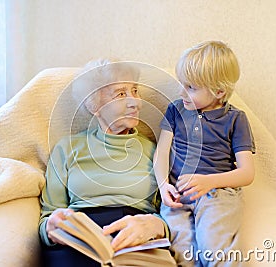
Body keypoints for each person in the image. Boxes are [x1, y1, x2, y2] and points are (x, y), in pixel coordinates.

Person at [39, 59, 176, 266]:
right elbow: (48, 214)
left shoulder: (156, 151)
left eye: (135, 91)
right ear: (95, 105)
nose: (136, 102)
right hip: (80, 241)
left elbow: (174, 211)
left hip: (136, 241)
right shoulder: (67, 148)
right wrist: (51, 226)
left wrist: (157, 226)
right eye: (121, 94)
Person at [154, 41, 255, 267]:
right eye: (182, 84)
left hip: (217, 195)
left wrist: (209, 182)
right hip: (179, 196)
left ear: (219, 91)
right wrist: (163, 186)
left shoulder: (235, 119)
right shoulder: (175, 110)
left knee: (213, 248)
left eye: (190, 87)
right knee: (180, 253)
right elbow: (161, 153)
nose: (181, 92)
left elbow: (247, 173)